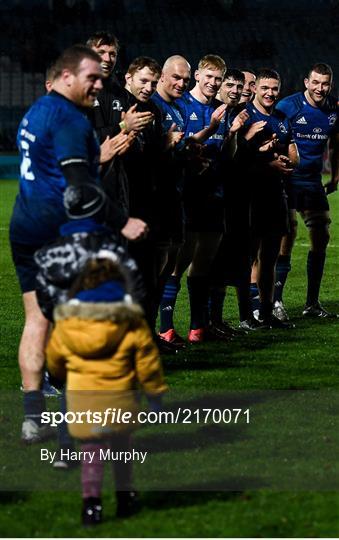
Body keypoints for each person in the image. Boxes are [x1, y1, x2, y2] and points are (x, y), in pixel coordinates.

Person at [9, 44, 133, 443]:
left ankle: (33, 418)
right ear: (66, 77)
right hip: (57, 231)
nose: (99, 84)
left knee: (36, 320)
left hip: (24, 225)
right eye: (91, 77)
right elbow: (79, 186)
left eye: (101, 77)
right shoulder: (71, 121)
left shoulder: (35, 111)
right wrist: (122, 220)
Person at [46, 256, 167, 525]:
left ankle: (91, 503)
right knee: (123, 449)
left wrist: (57, 376)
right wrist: (155, 396)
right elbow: (147, 361)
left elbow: (54, 357)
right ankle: (125, 497)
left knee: (92, 450)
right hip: (120, 397)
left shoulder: (68, 322)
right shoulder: (131, 320)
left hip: (83, 399)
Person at [158, 55, 247, 343]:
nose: (213, 83)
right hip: (188, 195)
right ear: (198, 75)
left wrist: (232, 134)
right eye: (208, 77)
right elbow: (179, 146)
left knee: (205, 264)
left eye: (217, 79)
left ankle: (199, 328)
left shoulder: (223, 110)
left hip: (215, 195)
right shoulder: (183, 105)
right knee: (176, 264)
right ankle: (166, 328)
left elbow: (228, 156)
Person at [273, 63, 339, 319]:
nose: (320, 88)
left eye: (325, 84)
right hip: (288, 179)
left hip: (312, 181)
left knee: (321, 237)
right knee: (286, 236)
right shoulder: (288, 106)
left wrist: (334, 176)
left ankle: (311, 303)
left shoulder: (334, 109)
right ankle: (276, 302)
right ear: (306, 82)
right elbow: (273, 136)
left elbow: (334, 144)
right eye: (316, 83)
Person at [240, 68, 299, 328]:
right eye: (265, 87)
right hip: (251, 196)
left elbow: (290, 155)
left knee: (270, 256)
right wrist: (268, 161)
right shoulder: (244, 116)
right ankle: (247, 314)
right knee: (249, 256)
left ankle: (265, 312)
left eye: (274, 88)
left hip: (277, 194)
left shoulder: (281, 118)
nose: (270, 93)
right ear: (254, 88)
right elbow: (237, 159)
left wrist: (285, 159)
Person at [86, 31, 151, 241]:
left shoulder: (124, 95)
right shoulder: (78, 92)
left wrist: (134, 141)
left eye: (112, 54)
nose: (107, 59)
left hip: (120, 188)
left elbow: (138, 143)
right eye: (101, 52)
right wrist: (123, 125)